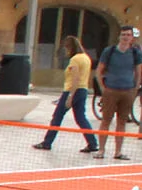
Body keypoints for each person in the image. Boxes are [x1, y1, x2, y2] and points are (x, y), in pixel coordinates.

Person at [37, 34, 99, 153]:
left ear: (70, 47)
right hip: (83, 90)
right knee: (81, 118)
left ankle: (47, 142)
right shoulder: (86, 58)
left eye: (66, 48)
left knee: (57, 116)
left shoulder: (75, 59)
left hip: (72, 90)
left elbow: (75, 78)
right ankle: (92, 143)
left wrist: (70, 96)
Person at [97, 25, 140, 162]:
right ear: (119, 36)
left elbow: (139, 72)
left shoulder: (135, 53)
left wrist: (135, 89)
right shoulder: (109, 52)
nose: (125, 37)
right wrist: (103, 89)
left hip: (127, 90)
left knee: (122, 122)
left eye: (128, 35)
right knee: (106, 120)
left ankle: (118, 151)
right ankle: (101, 149)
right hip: (111, 89)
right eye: (123, 35)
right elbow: (99, 70)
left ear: (132, 37)